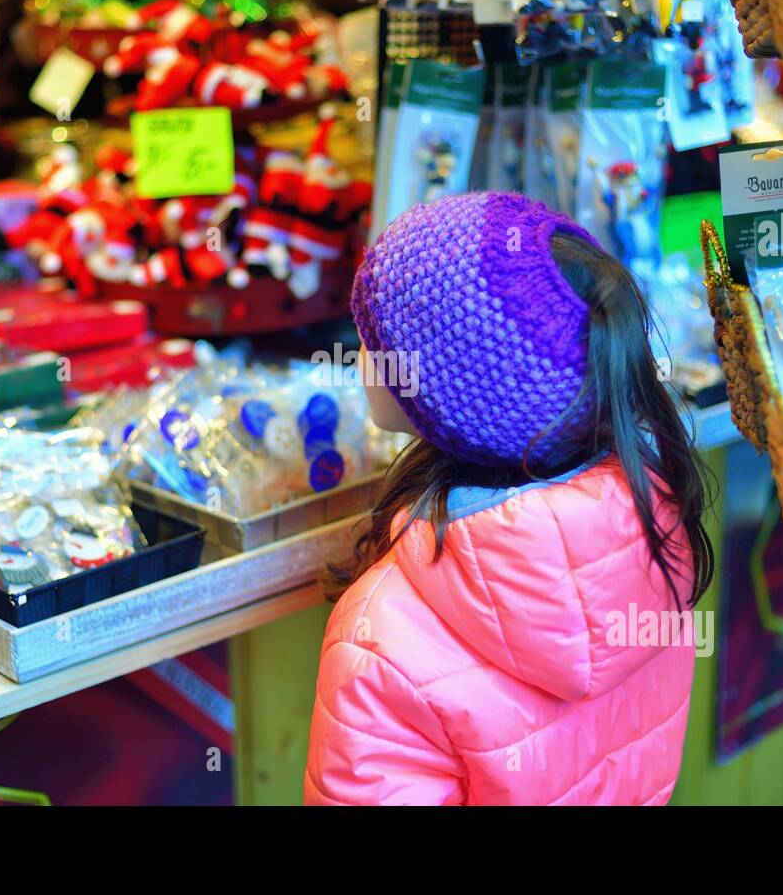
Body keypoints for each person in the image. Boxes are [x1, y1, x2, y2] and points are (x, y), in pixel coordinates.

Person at [304, 192, 714, 805]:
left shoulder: (381, 636)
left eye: (375, 333)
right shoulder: (653, 532)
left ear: (442, 393)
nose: (359, 347)